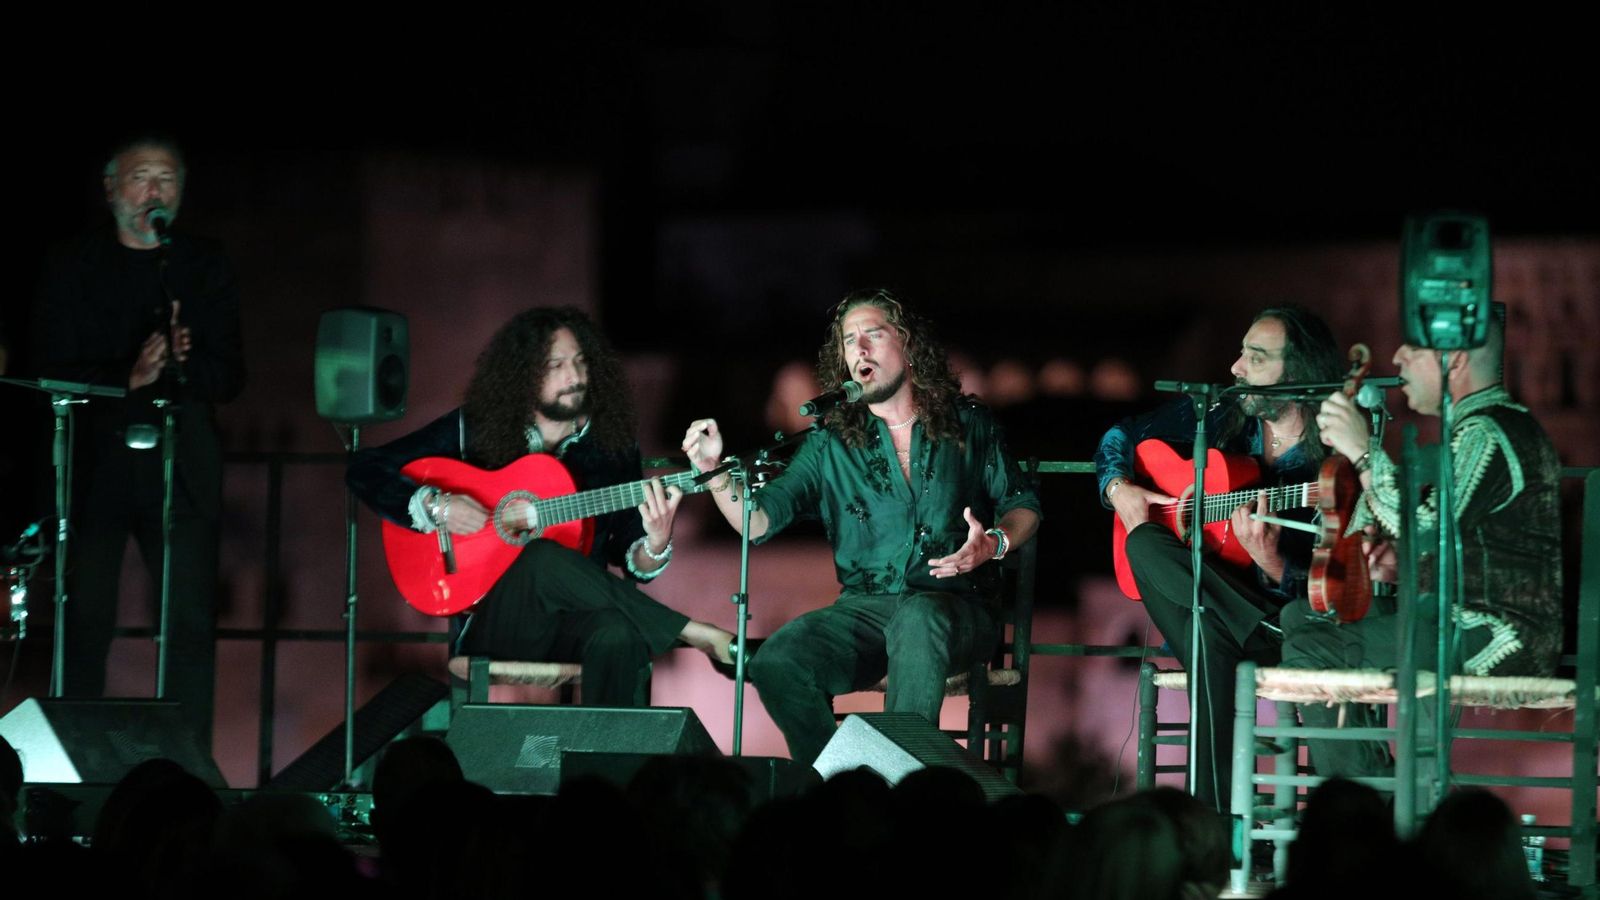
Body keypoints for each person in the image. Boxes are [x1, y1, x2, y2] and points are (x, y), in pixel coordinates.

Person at [682, 289, 1041, 765]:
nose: (860, 349)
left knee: (919, 618)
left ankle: (896, 783)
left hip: (956, 609)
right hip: (865, 612)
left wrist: (992, 544)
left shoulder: (967, 423)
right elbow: (758, 521)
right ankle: (839, 783)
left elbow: (1023, 504)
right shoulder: (830, 441)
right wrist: (716, 473)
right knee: (777, 662)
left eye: (873, 334)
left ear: (908, 347)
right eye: (850, 341)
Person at [347, 307, 735, 706]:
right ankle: (695, 633)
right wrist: (439, 507)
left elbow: (630, 553)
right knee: (541, 556)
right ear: (525, 376)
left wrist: (655, 541)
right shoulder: (472, 430)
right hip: (493, 624)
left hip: (574, 626)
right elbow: (364, 468)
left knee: (619, 635)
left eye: (582, 363)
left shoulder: (611, 446)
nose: (575, 377)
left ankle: (607, 766)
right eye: (557, 365)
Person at [1282, 311, 1561, 781]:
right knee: (1301, 618)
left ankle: (1367, 811)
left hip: (1496, 632)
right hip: (1458, 617)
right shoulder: (1479, 429)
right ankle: (1380, 796)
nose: (1397, 357)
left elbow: (1425, 528)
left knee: (1314, 652)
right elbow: (1449, 542)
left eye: (1412, 348)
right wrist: (1402, 564)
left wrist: (1364, 452)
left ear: (1452, 360)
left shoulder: (1489, 433)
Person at [34, 135, 245, 750]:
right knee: (85, 618)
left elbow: (231, 377)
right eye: (141, 178)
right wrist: (128, 378)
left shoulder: (201, 263)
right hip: (98, 467)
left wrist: (186, 361)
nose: (155, 191)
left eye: (167, 179)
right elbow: (48, 365)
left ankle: (185, 759)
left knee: (187, 624)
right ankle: (69, 761)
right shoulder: (73, 262)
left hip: (181, 466)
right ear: (111, 188)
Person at [1093, 305, 1343, 809]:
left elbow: (1336, 596)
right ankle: (1212, 820)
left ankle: (1209, 821)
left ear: (1295, 376)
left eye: (1255, 357)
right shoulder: (1226, 413)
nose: (1235, 368)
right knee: (1142, 541)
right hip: (1225, 614)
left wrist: (1274, 564)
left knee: (1207, 640)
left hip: (1287, 625)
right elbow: (1119, 435)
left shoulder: (1332, 464)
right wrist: (1119, 488)